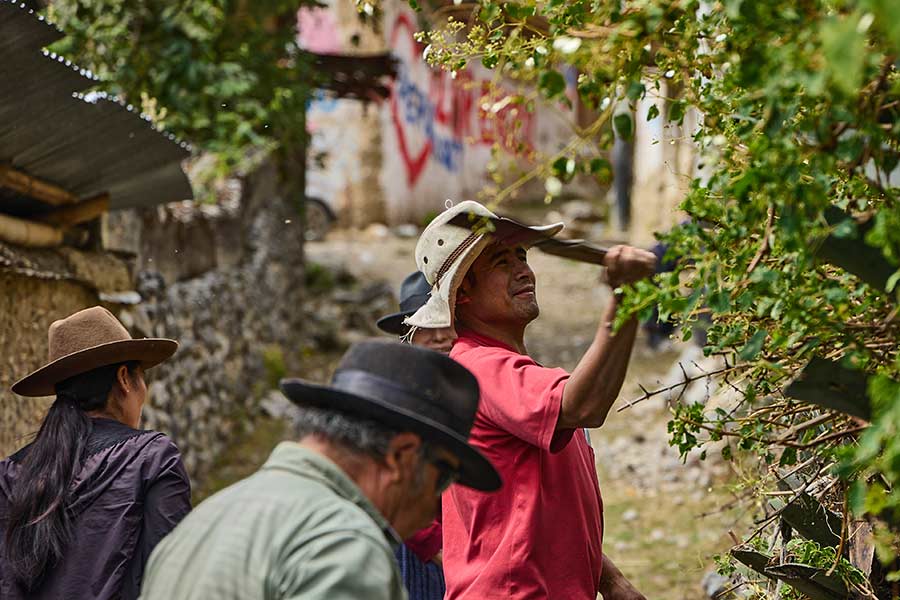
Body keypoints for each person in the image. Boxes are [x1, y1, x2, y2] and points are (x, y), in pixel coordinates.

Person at [405, 200, 657, 600]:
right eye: (502, 262)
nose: (524, 270)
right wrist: (625, 298)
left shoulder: (513, 373)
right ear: (464, 290)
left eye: (522, 255)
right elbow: (584, 407)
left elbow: (543, 506)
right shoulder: (480, 368)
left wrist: (609, 580)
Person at [139, 340, 501, 600]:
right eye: (445, 477)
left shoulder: (205, 521)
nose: (435, 506)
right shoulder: (344, 545)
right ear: (402, 456)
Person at [0, 306, 190, 600]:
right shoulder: (152, 459)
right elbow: (172, 580)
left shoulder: (10, 473)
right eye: (142, 376)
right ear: (125, 378)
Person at [377, 271, 454, 599]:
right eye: (426, 328)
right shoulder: (399, 398)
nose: (439, 338)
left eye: (445, 324)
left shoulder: (476, 388)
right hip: (421, 549)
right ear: (408, 336)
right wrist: (435, 548)